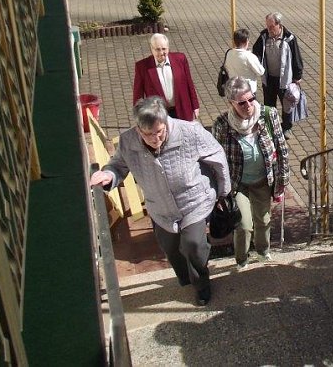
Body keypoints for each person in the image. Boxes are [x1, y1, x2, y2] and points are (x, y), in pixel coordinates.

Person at [89, 97, 230, 306]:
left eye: (160, 132)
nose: (155, 139)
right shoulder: (129, 141)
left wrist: (223, 191)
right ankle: (185, 278)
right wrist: (109, 175)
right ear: (138, 129)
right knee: (170, 248)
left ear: (166, 123)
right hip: (160, 208)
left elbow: (217, 156)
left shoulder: (190, 131)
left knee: (193, 245)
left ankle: (201, 285)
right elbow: (118, 165)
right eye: (148, 134)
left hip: (194, 201)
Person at [210, 77, 290, 268]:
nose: (248, 105)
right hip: (238, 183)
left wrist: (281, 183)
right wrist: (218, 192)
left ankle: (263, 251)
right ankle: (242, 258)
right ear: (231, 103)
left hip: (263, 179)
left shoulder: (268, 115)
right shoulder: (222, 124)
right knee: (244, 225)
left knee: (263, 220)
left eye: (251, 99)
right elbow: (215, 159)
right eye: (241, 102)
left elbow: (282, 148)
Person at [252, 12, 303, 138]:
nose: (269, 29)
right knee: (269, 105)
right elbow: (256, 51)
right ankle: (271, 126)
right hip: (269, 78)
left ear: (279, 25)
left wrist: (297, 76)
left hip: (285, 79)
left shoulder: (290, 38)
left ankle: (287, 128)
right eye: (268, 26)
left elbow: (297, 57)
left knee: (287, 105)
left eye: (271, 27)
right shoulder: (264, 36)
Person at [132, 33, 200, 121]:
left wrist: (195, 106)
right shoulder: (142, 67)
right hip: (159, 115)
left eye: (164, 49)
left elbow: (189, 83)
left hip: (183, 110)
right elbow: (138, 96)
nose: (161, 53)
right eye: (157, 49)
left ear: (168, 47)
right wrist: (139, 117)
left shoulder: (180, 59)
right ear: (152, 49)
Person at [224, 28, 265, 94]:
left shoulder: (229, 53)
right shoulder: (249, 56)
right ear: (247, 41)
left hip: (234, 90)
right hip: (248, 91)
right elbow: (260, 72)